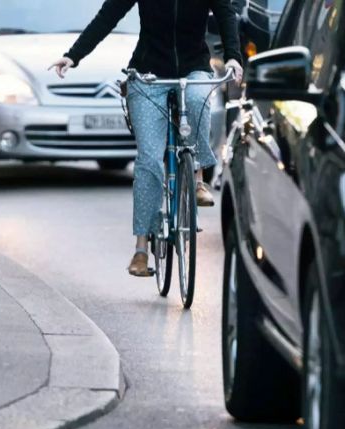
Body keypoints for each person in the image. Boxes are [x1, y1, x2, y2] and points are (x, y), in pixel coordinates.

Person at [49, 0, 244, 277]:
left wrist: (233, 56)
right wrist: (73, 56)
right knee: (149, 160)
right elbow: (109, 15)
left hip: (193, 67)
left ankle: (198, 178)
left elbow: (225, 12)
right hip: (147, 72)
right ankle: (141, 248)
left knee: (199, 97)